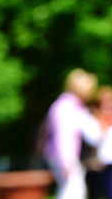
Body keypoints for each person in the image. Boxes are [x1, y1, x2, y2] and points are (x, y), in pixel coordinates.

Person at [44, 69, 100, 199]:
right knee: (72, 191)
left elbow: (93, 135)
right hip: (64, 156)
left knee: (71, 190)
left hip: (65, 156)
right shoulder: (65, 107)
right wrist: (66, 162)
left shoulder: (74, 106)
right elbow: (62, 137)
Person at [84, 86, 112, 199]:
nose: (109, 105)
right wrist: (103, 124)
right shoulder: (92, 119)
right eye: (105, 102)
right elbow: (92, 141)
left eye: (111, 101)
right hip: (97, 166)